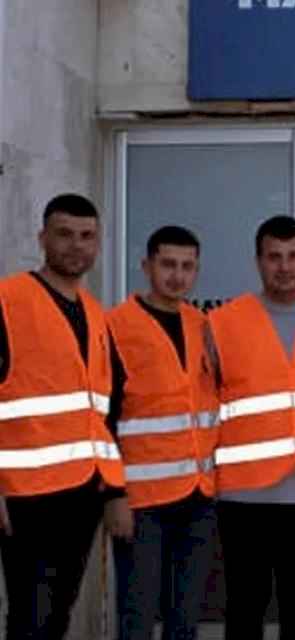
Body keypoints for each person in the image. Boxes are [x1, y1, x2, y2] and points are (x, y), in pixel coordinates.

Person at [207, 215, 295, 640]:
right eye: (274, 257)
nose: (284, 267)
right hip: (243, 494)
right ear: (258, 261)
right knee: (244, 606)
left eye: (294, 256)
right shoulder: (221, 323)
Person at [0, 193, 126, 639]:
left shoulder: (94, 313)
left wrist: (114, 491)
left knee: (57, 616)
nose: (76, 246)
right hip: (25, 495)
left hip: (82, 491)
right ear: (42, 238)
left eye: (87, 236)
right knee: (30, 618)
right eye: (65, 234)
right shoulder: (8, 300)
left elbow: (105, 411)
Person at [104, 225, 218, 640]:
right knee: (137, 616)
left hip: (198, 496)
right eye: (168, 264)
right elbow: (102, 419)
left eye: (187, 266)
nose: (178, 276)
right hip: (142, 501)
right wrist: (113, 496)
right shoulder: (115, 326)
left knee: (184, 618)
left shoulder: (201, 325)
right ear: (146, 266)